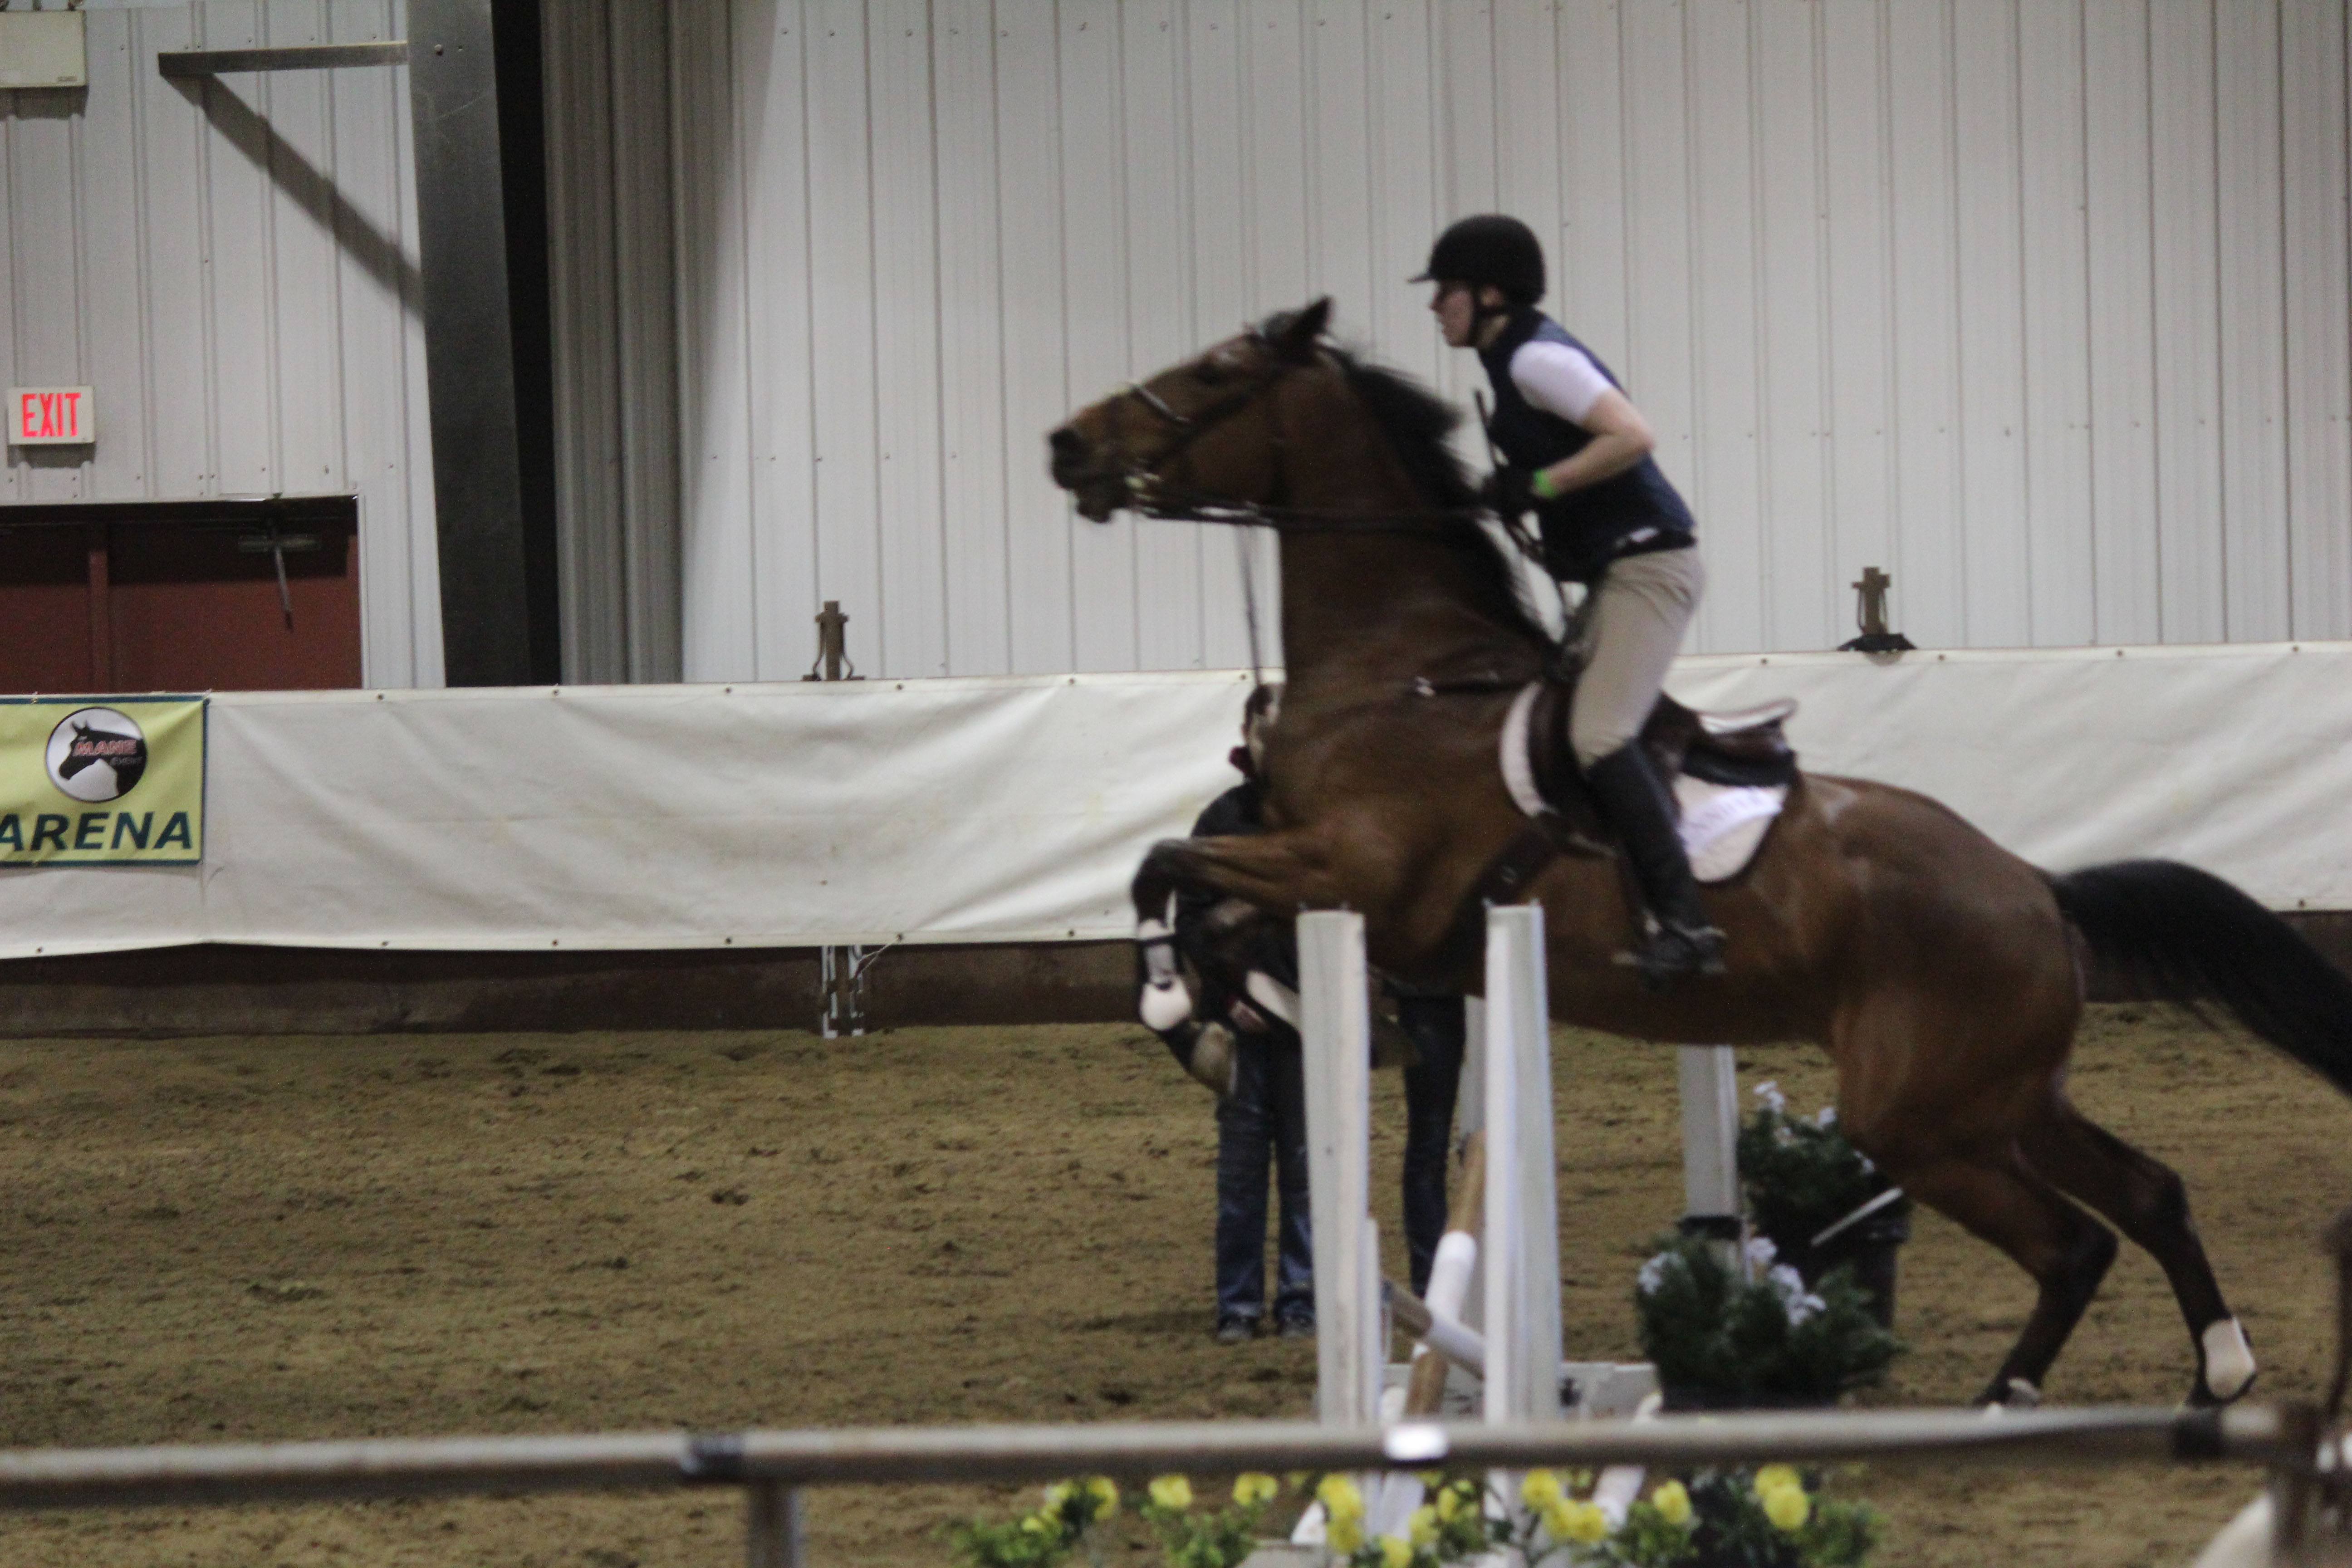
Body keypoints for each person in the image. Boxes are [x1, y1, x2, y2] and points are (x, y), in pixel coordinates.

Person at [1416, 214, 1725, 985]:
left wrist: (1542, 484)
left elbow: (1631, 435)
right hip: (1618, 570)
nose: (1435, 307)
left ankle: (1688, 923)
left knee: (1597, 738)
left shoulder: (1536, 359)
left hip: (1652, 567)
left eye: (1446, 291)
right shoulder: (1509, 361)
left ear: (1490, 293)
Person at [1175, 686, 1314, 1343]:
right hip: (1240, 1028)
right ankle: (1238, 1306)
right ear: (1247, 737)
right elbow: (1194, 927)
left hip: (1312, 1030)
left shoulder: (1324, 821)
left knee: (1308, 1174)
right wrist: (1232, 1001)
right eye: (1265, 733)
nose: (1274, 746)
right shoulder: (1220, 822)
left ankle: (1300, 1301)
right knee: (1241, 1177)